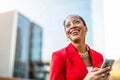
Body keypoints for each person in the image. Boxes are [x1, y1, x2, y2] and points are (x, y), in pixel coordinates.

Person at [50, 14, 111, 80]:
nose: (72, 26)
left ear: (86, 29)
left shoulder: (99, 56)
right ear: (67, 34)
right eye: (68, 25)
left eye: (77, 22)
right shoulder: (59, 56)